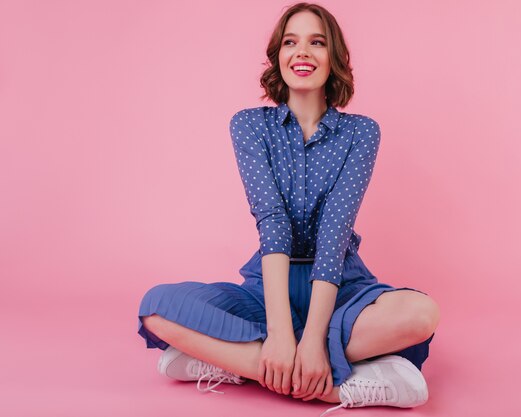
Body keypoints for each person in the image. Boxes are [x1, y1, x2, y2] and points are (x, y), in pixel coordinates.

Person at [136, 2, 440, 416]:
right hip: (267, 289)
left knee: (422, 314)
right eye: (290, 42)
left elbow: (334, 234)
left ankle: (247, 365)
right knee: (156, 308)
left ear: (333, 58)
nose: (302, 52)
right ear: (277, 56)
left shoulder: (361, 132)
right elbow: (273, 224)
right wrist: (280, 333)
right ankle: (345, 383)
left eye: (316, 42)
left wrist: (312, 338)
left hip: (339, 287)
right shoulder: (249, 125)